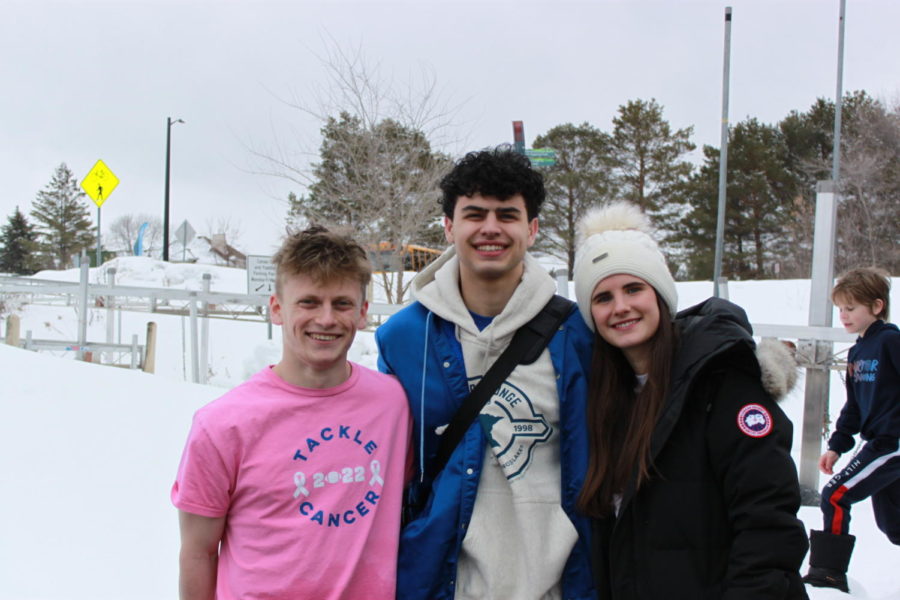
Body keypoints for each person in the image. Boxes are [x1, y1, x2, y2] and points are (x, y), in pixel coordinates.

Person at [375, 146, 595, 599]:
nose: (490, 228)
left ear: (532, 229)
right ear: (449, 226)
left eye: (507, 215)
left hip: (557, 585)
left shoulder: (578, 335)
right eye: (474, 214)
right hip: (441, 583)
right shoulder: (403, 338)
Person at [572, 201, 809, 599]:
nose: (621, 307)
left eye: (634, 289)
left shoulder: (721, 380)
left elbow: (767, 524)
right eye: (603, 297)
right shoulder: (602, 397)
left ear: (661, 295)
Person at [171, 226, 411, 600]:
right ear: (277, 308)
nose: (327, 319)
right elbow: (198, 553)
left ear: (363, 313)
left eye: (342, 304)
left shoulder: (393, 404)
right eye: (309, 302)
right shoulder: (222, 424)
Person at [802, 267, 900, 593]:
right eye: (840, 309)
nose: (843, 316)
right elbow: (854, 408)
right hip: (876, 442)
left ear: (876, 306)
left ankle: (827, 575)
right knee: (893, 525)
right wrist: (837, 445)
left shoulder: (891, 341)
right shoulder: (858, 352)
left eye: (851, 308)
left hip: (892, 443)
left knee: (836, 494)